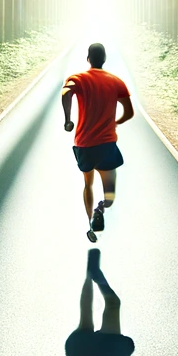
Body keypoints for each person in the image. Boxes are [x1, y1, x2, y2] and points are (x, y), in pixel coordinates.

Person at [61, 42, 133, 242]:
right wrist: (115, 122)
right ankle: (101, 207)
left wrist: (67, 119)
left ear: (88, 59)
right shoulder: (116, 81)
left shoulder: (78, 78)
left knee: (88, 184)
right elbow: (129, 112)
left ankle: (90, 223)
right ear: (104, 60)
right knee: (110, 194)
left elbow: (66, 92)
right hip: (107, 144)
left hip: (84, 143)